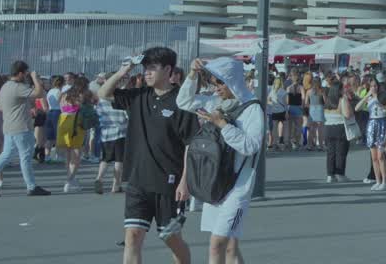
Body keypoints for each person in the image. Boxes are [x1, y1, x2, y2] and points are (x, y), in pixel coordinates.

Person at [100, 47, 199, 264]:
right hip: (137, 180)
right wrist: (122, 71)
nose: (147, 72)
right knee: (133, 237)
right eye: (145, 68)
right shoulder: (138, 96)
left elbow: (190, 145)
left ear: (168, 69)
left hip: (168, 183)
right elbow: (103, 94)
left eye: (152, 68)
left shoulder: (182, 101)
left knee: (170, 237)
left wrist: (185, 181)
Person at [178, 57, 266, 264]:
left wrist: (223, 125)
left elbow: (251, 146)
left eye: (220, 82)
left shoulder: (253, 109)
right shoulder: (214, 103)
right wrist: (192, 74)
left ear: (233, 80)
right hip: (215, 182)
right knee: (230, 248)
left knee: (218, 244)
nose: (215, 87)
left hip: (237, 188)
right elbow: (183, 102)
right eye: (212, 82)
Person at [0, 61, 51, 197]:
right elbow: (39, 93)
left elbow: (0, 106)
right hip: (21, 127)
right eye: (26, 73)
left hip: (9, 127)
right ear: (20, 73)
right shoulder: (18, 87)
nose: (27, 75)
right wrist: (35, 78)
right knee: (25, 157)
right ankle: (31, 186)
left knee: (5, 156)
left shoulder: (5, 86)